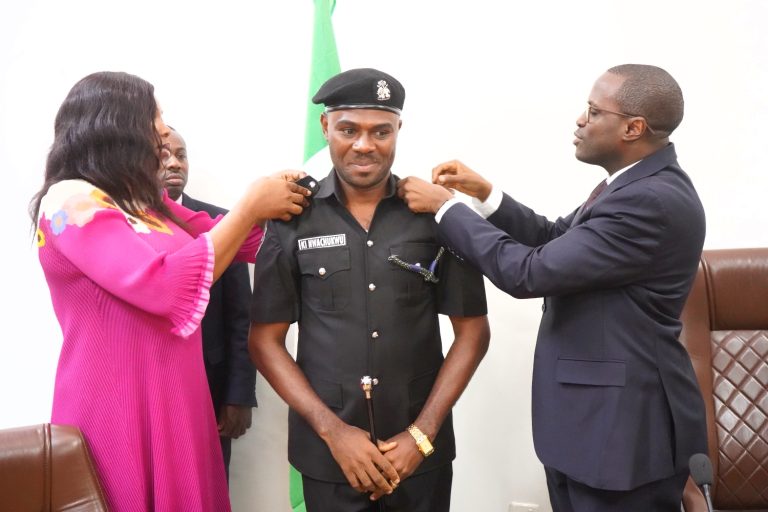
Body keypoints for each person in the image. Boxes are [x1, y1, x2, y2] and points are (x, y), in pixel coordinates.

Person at [397, 64, 707, 511]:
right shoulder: (631, 186)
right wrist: (485, 195)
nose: (581, 120)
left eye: (594, 111)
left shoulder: (649, 200)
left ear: (633, 128)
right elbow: (555, 238)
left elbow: (529, 273)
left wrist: (446, 210)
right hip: (591, 431)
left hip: (624, 438)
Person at [30, 71, 310, 512]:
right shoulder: (70, 200)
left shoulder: (145, 202)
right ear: (117, 123)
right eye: (155, 116)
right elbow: (160, 283)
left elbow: (239, 240)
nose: (163, 129)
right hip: (118, 403)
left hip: (178, 398)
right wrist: (249, 207)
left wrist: (282, 202)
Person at [248, 68, 490, 512]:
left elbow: (473, 332)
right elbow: (265, 341)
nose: (364, 145)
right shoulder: (292, 218)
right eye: (348, 130)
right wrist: (333, 432)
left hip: (420, 455)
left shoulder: (435, 215)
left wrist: (422, 434)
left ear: (398, 129)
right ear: (326, 127)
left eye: (381, 131)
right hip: (329, 456)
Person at [159, 127, 256, 481]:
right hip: (152, 386)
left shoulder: (223, 224)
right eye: (163, 154)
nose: (174, 163)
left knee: (208, 484)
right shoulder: (125, 223)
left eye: (181, 155)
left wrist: (238, 395)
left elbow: (241, 316)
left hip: (210, 389)